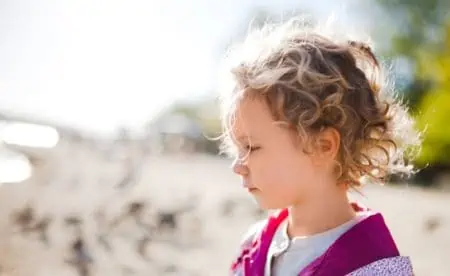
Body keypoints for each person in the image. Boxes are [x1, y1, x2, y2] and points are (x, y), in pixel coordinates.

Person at [218, 18, 420, 276]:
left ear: (323, 145)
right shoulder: (255, 244)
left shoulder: (372, 266)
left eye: (252, 147)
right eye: (237, 148)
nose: (238, 166)